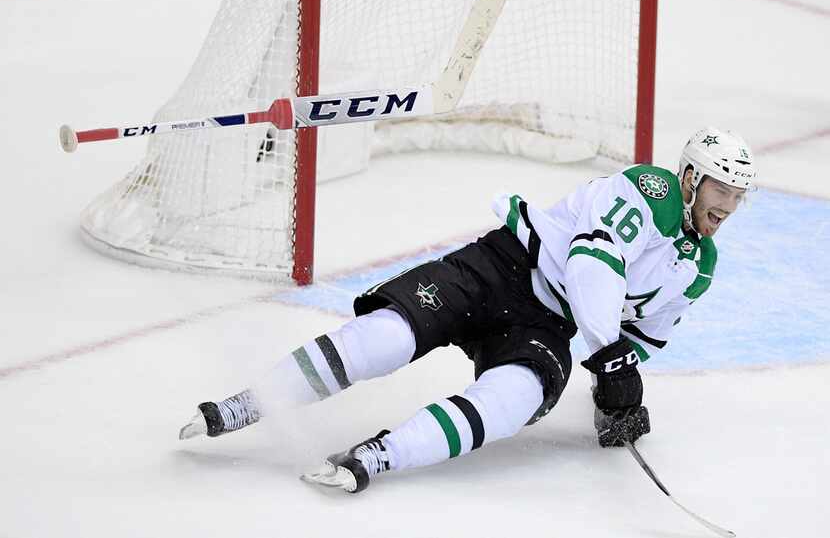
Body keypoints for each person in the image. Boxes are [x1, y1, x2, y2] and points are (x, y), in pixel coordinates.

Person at [179, 126, 755, 494]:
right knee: (386, 339)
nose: (726, 205)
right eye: (719, 189)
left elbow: (639, 342)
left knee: (514, 401)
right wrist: (608, 357)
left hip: (546, 324)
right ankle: (252, 402)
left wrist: (617, 396)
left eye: (736, 195)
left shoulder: (698, 267)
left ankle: (382, 455)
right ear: (688, 177)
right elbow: (590, 266)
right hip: (501, 267)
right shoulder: (651, 192)